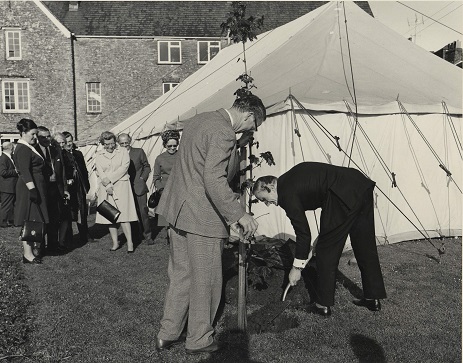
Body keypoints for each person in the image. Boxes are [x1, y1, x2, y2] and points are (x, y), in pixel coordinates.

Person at [155, 94, 266, 354]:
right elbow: (214, 179)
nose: (252, 129)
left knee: (181, 274)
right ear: (249, 115)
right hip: (201, 217)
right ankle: (198, 339)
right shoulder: (224, 133)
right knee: (206, 280)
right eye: (254, 124)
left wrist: (238, 146)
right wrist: (239, 214)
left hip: (178, 210)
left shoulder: (199, 120)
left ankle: (167, 333)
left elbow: (200, 159)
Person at [252, 162, 387, 317]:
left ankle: (322, 305)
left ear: (270, 187)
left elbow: (303, 233)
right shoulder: (290, 179)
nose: (268, 204)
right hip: (360, 184)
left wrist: (296, 268)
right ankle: (372, 298)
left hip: (339, 193)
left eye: (264, 199)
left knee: (326, 251)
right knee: (364, 244)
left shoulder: (285, 193)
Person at [94, 131, 138, 253]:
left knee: (124, 216)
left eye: (112, 143)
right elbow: (99, 170)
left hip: (122, 185)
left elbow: (124, 167)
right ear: (103, 144)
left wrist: (110, 179)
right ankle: (115, 242)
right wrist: (107, 184)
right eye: (107, 144)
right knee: (110, 215)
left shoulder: (123, 151)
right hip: (106, 187)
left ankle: (130, 242)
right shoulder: (99, 154)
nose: (110, 146)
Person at [14, 119, 49, 264]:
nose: (35, 137)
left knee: (34, 219)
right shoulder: (22, 148)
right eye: (33, 134)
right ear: (23, 133)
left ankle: (32, 250)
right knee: (29, 220)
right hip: (29, 188)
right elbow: (24, 171)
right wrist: (32, 189)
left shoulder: (28, 146)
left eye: (36, 134)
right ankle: (27, 254)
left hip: (35, 186)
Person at [35, 126, 69, 253]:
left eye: (48, 136)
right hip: (42, 189)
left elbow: (63, 171)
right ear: (37, 138)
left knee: (55, 217)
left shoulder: (55, 150)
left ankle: (53, 246)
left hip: (56, 189)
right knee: (43, 218)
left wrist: (65, 189)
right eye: (43, 137)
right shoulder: (34, 150)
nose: (47, 139)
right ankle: (40, 246)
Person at [117, 133, 152, 243]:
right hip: (124, 188)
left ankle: (148, 236)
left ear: (130, 141)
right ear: (118, 144)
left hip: (138, 186)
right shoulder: (116, 154)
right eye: (122, 143)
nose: (124, 145)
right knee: (130, 213)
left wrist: (142, 178)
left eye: (126, 143)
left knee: (143, 212)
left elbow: (147, 166)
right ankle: (135, 235)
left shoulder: (138, 152)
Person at [62, 131, 92, 243]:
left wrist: (86, 184)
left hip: (80, 186)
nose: (69, 144)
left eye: (70, 141)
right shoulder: (62, 154)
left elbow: (84, 170)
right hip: (69, 187)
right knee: (69, 212)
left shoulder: (78, 154)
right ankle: (68, 237)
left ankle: (84, 234)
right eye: (66, 142)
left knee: (82, 210)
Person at [151, 130, 180, 244]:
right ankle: (171, 241)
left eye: (175, 145)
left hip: (180, 190)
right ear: (164, 145)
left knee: (180, 218)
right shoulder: (160, 158)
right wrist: (161, 190)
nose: (172, 148)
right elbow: (156, 177)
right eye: (169, 146)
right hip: (165, 192)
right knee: (167, 220)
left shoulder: (182, 155)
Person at [0, 142, 18, 227]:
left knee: (11, 205)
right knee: (6, 205)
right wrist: (15, 171)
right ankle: (2, 222)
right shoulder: (3, 158)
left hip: (11, 186)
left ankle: (11, 221)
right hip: (7, 186)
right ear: (10, 148)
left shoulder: (9, 157)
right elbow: (3, 172)